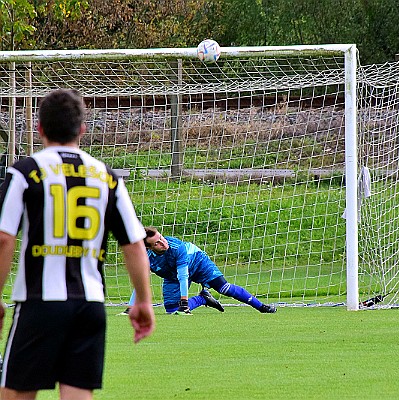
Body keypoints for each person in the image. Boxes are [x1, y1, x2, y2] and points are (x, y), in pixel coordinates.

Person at [0, 89, 155, 400]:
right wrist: (144, 301)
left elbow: (4, 237)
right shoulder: (108, 178)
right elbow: (135, 245)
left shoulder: (24, 171)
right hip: (89, 305)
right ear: (82, 130)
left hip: (39, 303)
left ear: (39, 128)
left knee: (16, 393)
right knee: (78, 395)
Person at [124, 226, 276, 315]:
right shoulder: (145, 257)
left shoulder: (178, 248)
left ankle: (261, 307)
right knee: (171, 310)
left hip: (198, 262)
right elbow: (141, 280)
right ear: (148, 248)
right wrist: (131, 308)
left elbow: (184, 276)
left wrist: (184, 301)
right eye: (157, 243)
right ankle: (204, 298)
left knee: (224, 288)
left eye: (162, 238)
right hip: (172, 275)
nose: (163, 243)